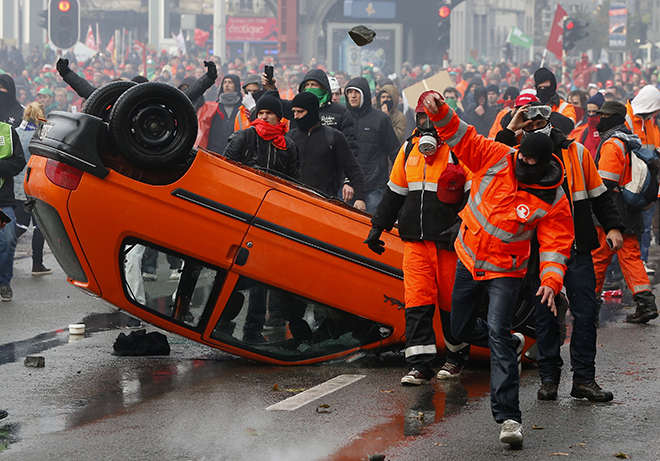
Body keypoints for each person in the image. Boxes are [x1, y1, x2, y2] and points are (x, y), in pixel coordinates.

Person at [422, 92, 574, 447]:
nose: (522, 163)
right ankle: (512, 341)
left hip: (506, 271)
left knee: (497, 335)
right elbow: (462, 136)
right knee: (457, 329)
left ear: (542, 164)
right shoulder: (497, 157)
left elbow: (555, 244)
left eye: (530, 161)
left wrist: (551, 282)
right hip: (467, 258)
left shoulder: (552, 197)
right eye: (521, 157)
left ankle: (509, 419)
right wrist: (440, 110)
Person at [496, 102, 623, 403]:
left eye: (539, 120)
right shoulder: (516, 155)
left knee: (586, 311)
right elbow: (489, 158)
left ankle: (583, 380)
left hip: (576, 247)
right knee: (545, 314)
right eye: (527, 123)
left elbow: (600, 196)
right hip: (538, 250)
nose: (535, 124)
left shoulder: (576, 153)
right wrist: (510, 128)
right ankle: (549, 378)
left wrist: (613, 226)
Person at [365, 91, 471, 385]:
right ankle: (420, 366)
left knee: (453, 305)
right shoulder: (409, 149)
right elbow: (394, 193)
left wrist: (460, 225)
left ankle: (455, 358)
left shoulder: (460, 150)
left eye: (431, 116)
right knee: (417, 303)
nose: (426, 122)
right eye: (421, 116)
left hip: (448, 245)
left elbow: (474, 196)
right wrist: (378, 227)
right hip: (415, 243)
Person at [592, 101, 658, 323]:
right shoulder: (629, 140)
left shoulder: (612, 144)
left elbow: (606, 181)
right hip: (628, 210)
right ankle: (646, 303)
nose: (600, 120)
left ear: (614, 118)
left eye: (604, 116)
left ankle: (589, 302)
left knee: (599, 255)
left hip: (611, 208)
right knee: (630, 256)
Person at [285, 92, 366, 211]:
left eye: (300, 112)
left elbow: (353, 169)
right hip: (293, 203)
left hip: (325, 206)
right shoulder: (290, 137)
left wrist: (360, 198)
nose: (296, 116)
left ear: (312, 111)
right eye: (294, 112)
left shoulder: (334, 137)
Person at [344, 77, 400, 214]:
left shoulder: (380, 119)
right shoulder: (343, 117)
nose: (353, 96)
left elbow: (394, 151)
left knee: (373, 227)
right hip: (348, 186)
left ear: (365, 94)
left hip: (375, 186)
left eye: (356, 92)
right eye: (349, 92)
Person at [624, 85, 660, 275]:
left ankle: (642, 260)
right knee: (628, 226)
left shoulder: (652, 123)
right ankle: (626, 265)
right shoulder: (627, 117)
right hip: (630, 183)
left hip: (647, 184)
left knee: (645, 225)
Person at [222, 92, 300, 181]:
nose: (264, 117)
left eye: (269, 113)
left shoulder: (288, 145)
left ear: (278, 117)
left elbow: (294, 180)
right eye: (260, 113)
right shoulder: (244, 136)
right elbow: (224, 167)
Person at [15, 102, 52, 276]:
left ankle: (4, 254)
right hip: (36, 187)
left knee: (19, 225)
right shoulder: (41, 136)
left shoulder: (15, 132)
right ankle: (37, 265)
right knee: (39, 227)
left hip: (16, 187)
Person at [0, 117, 28, 300]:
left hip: (4, 199)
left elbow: (19, 162)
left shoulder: (8, 131)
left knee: (9, 239)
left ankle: (4, 283)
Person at [534, 67, 576, 134]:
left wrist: (547, 112)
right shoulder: (531, 104)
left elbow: (568, 126)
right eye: (540, 88)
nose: (542, 90)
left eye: (545, 87)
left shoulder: (565, 106)